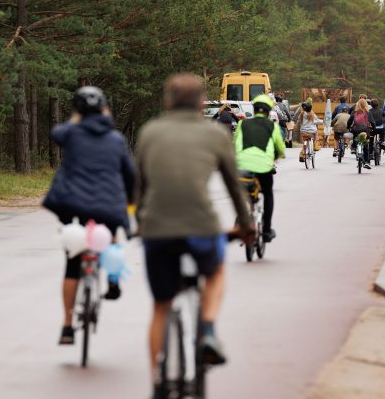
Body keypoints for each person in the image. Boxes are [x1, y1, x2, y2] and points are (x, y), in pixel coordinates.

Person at [134, 74, 253, 388]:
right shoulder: (215, 134)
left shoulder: (150, 132)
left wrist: (140, 224)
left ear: (167, 101)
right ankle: (209, 332)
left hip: (157, 229)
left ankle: (158, 378)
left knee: (161, 306)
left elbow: (140, 186)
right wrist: (247, 224)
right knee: (214, 273)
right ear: (203, 103)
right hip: (202, 226)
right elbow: (232, 184)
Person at [42, 86, 135, 345]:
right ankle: (114, 281)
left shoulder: (71, 132)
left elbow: (56, 133)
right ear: (105, 108)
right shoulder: (116, 139)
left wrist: (76, 119)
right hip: (108, 206)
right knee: (111, 237)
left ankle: (67, 327)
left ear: (78, 111)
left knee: (73, 263)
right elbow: (129, 175)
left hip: (75, 205)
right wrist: (130, 201)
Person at [234, 94, 285, 242]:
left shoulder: (242, 124)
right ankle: (267, 230)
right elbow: (280, 148)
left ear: (254, 110)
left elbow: (234, 143)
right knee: (268, 194)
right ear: (269, 111)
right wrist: (277, 155)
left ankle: (241, 219)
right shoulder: (272, 126)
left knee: (242, 193)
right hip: (263, 168)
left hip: (242, 166)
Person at [346, 98, 373, 169]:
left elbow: (349, 122)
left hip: (356, 130)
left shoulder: (354, 112)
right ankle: (367, 162)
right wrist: (373, 128)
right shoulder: (368, 113)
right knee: (366, 146)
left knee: (355, 137)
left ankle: (354, 147)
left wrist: (348, 127)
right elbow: (373, 122)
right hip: (365, 130)